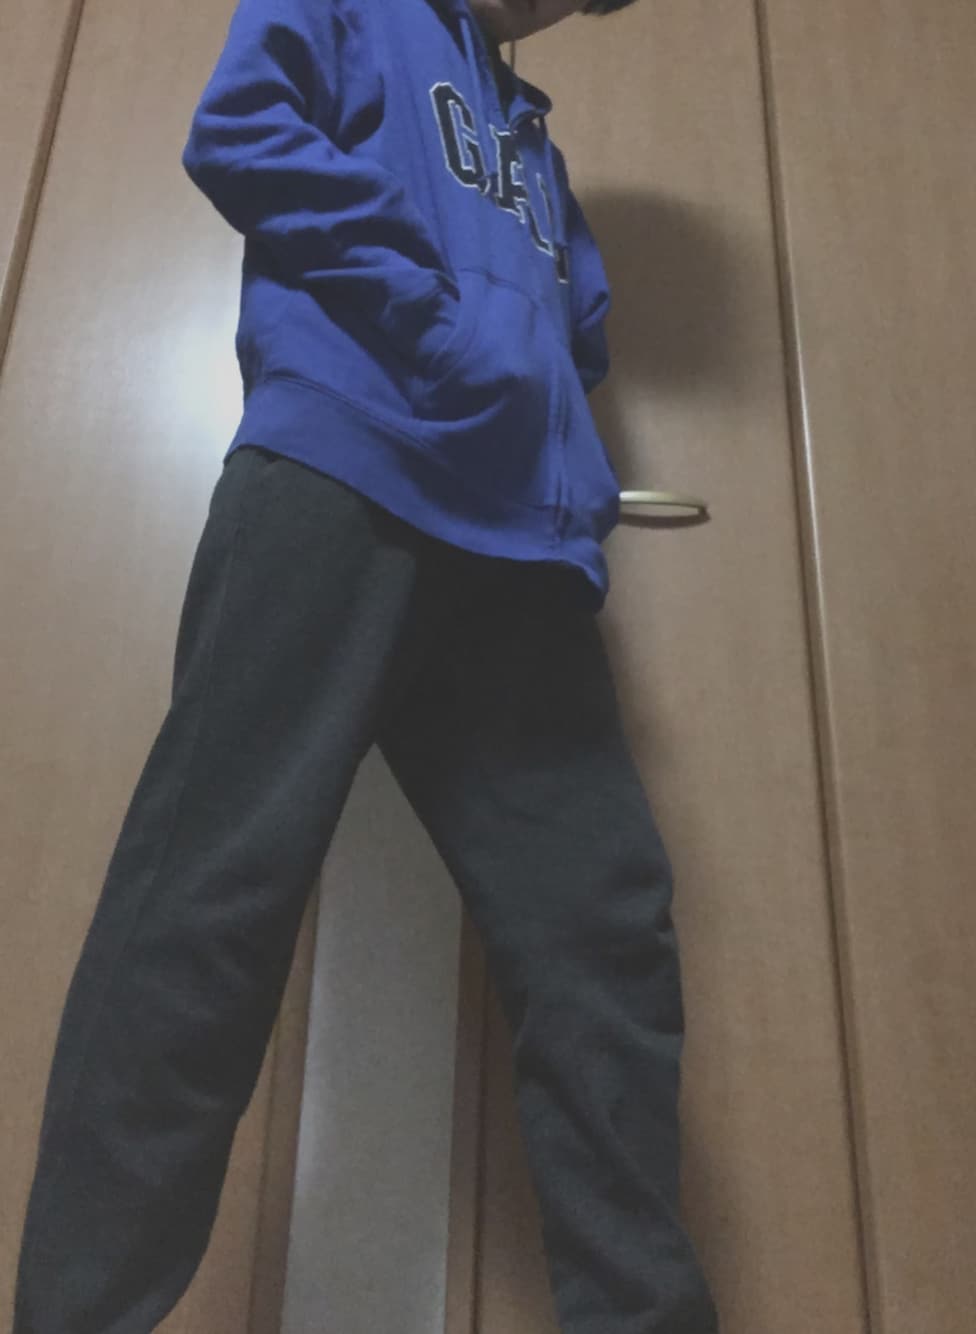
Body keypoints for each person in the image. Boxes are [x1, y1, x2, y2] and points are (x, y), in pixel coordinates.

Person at [11, 1, 720, 1330]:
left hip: (516, 558)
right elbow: (242, 131)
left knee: (605, 933)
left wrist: (563, 448)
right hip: (342, 479)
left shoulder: (533, 148)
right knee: (212, 900)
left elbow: (572, 331)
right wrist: (441, 326)